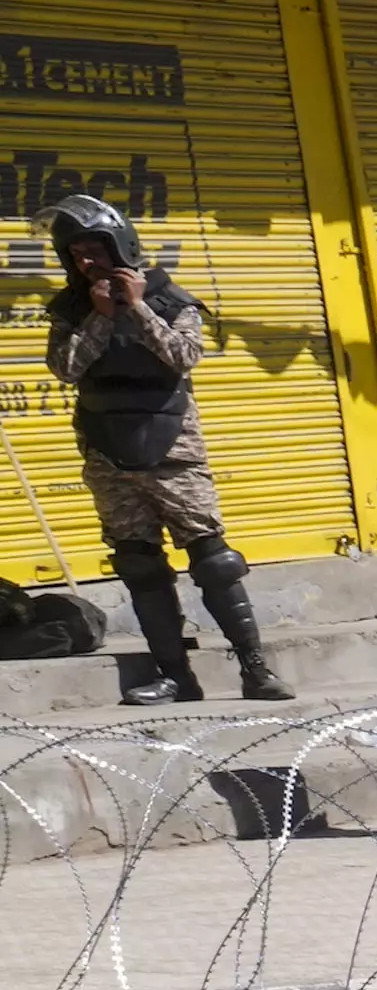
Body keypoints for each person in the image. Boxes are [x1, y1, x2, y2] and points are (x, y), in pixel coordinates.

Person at [40, 195, 286, 706]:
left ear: (119, 245)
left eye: (95, 249)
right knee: (138, 564)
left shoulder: (170, 297)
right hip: (107, 452)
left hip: (173, 448)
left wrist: (140, 307)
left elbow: (183, 356)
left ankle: (255, 669)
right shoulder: (71, 309)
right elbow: (66, 368)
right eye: (76, 253)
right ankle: (176, 675)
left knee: (214, 560)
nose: (88, 262)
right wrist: (102, 317)